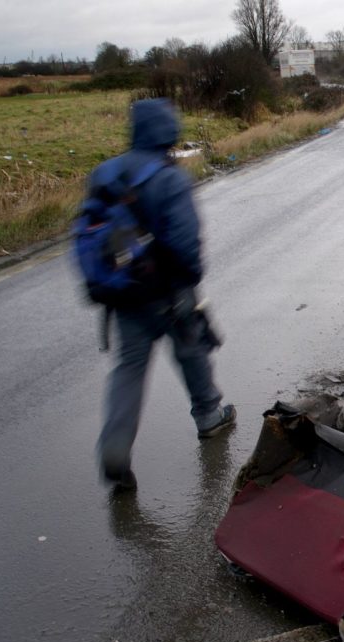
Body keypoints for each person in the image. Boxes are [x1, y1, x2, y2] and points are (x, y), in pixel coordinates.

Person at [93, 98, 235, 492]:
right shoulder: (169, 178)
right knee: (191, 351)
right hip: (170, 292)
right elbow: (186, 243)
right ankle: (209, 416)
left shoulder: (106, 172)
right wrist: (189, 281)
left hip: (123, 297)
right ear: (168, 131)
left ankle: (115, 448)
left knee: (129, 370)